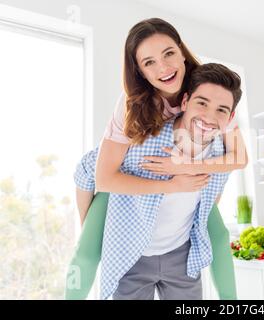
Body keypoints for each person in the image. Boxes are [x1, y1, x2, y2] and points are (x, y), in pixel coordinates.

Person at [65, 18, 247, 300]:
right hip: (122, 175)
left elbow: (239, 158)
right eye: (149, 62)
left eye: (169, 54)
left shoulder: (212, 88)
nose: (163, 68)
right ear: (139, 70)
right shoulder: (132, 103)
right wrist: (172, 185)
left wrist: (186, 170)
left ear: (181, 51)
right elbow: (104, 175)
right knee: (88, 249)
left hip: (185, 177)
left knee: (219, 236)